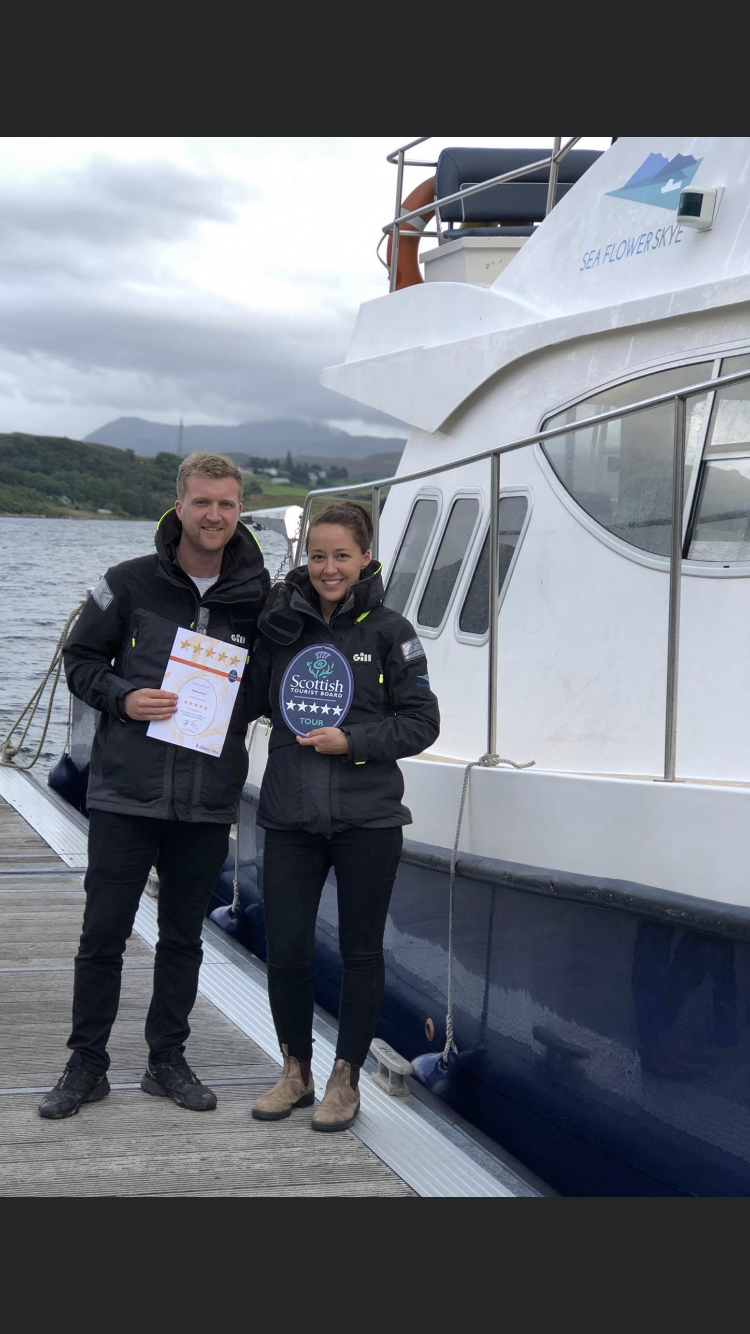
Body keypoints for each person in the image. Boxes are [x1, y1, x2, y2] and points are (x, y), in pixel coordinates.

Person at [39, 453, 269, 1119]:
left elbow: (271, 686)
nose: (214, 515)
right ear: (180, 505)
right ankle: (87, 1064)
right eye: (203, 502)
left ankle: (166, 1059)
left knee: (183, 939)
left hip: (207, 798)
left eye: (226, 504)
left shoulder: (261, 598)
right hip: (126, 793)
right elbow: (81, 660)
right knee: (102, 935)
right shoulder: (128, 582)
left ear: (239, 510)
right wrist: (123, 697)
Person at [248, 501, 440, 1131]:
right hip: (289, 814)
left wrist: (351, 742)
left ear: (365, 559)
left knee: (360, 953)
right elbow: (245, 698)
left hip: (368, 821)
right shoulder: (281, 625)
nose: (328, 568)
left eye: (341, 556)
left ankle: (345, 1079)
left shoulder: (391, 630)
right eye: (317, 556)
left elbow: (422, 722)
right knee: (287, 951)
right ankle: (294, 1072)